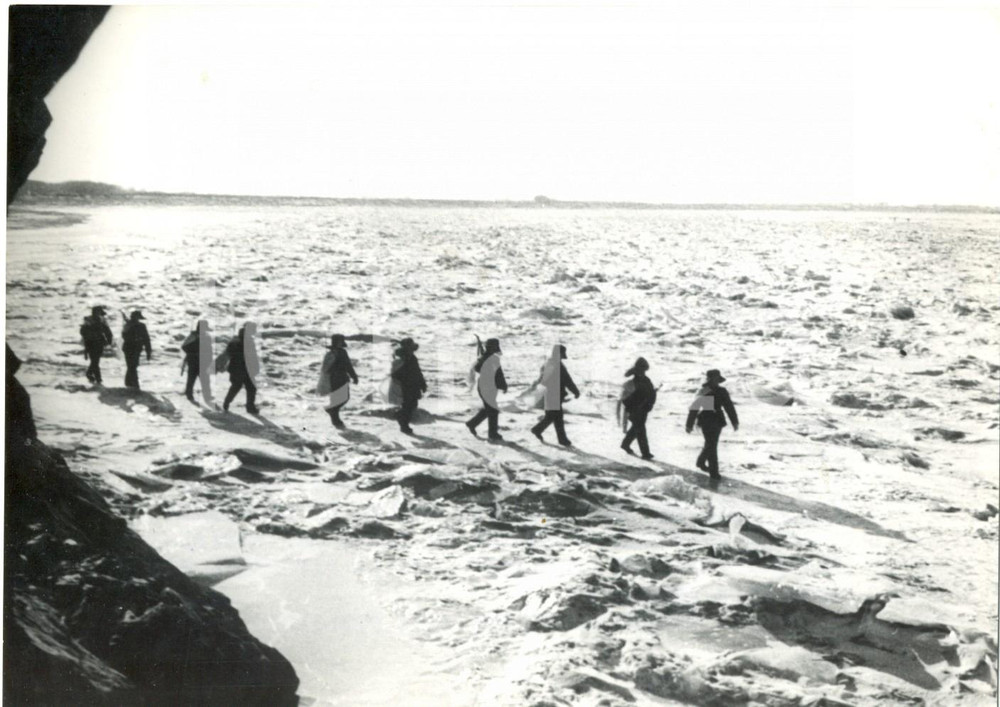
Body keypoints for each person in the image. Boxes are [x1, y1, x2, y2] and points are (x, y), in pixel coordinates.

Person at [685, 369, 739, 480]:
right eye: (713, 379)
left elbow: (729, 406)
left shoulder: (722, 391)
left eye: (716, 380)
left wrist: (734, 421)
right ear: (710, 380)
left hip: (717, 421)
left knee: (711, 444)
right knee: (712, 445)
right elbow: (694, 408)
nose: (715, 381)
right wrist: (689, 424)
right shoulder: (704, 391)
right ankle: (714, 472)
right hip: (706, 421)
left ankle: (701, 462)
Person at [530, 344, 580, 446]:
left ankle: (562, 439)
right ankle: (538, 430)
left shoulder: (549, 363)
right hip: (554, 395)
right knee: (554, 417)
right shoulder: (557, 365)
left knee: (555, 417)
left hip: (549, 394)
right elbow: (567, 380)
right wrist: (575, 391)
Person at [466, 337, 507, 441]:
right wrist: (503, 385)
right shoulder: (489, 359)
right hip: (487, 387)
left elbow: (497, 374)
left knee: (489, 409)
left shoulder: (487, 358)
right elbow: (498, 374)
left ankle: (472, 423)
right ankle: (492, 434)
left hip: (486, 387)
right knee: (493, 410)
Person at [318, 334, 358, 429]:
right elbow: (348, 366)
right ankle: (334, 416)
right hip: (341, 378)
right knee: (344, 398)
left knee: (336, 399)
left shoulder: (331, 353)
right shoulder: (342, 352)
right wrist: (354, 376)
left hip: (333, 379)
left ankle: (335, 419)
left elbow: (326, 369)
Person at [620, 357, 656, 460]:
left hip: (644, 409)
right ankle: (645, 453)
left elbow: (651, 393)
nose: (643, 372)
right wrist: (633, 407)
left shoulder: (646, 380)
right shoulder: (631, 383)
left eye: (644, 370)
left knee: (636, 429)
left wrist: (650, 404)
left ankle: (625, 444)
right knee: (641, 431)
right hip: (635, 411)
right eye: (641, 370)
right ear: (636, 370)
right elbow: (624, 399)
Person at [390, 337, 427, 434]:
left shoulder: (411, 357)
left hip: (413, 385)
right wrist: (405, 379)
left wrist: (422, 384)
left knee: (412, 405)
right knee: (408, 405)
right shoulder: (402, 359)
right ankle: (403, 424)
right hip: (406, 386)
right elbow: (395, 374)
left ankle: (401, 418)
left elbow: (418, 371)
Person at [222, 323, 260, 414]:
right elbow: (252, 356)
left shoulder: (235, 340)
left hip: (237, 369)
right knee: (246, 387)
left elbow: (228, 353)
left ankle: (228, 402)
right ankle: (248, 407)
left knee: (241, 387)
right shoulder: (247, 342)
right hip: (242, 369)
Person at [80, 305, 113, 384]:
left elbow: (108, 332)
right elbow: (83, 332)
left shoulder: (101, 320)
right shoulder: (89, 321)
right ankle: (98, 379)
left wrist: (109, 341)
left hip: (98, 343)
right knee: (95, 361)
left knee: (95, 361)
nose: (99, 314)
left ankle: (90, 374)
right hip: (91, 342)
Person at [181, 320, 212, 403]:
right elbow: (184, 347)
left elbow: (209, 351)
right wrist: (193, 352)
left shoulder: (207, 337)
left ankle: (207, 396)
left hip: (203, 362)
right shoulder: (193, 336)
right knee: (192, 379)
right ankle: (189, 394)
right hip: (194, 361)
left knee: (205, 380)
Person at [121, 310, 152, 390]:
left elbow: (146, 339)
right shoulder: (129, 325)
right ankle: (135, 384)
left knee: (132, 365)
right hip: (131, 348)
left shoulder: (135, 325)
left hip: (133, 348)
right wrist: (148, 351)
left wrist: (148, 351)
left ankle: (129, 383)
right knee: (132, 365)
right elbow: (124, 336)